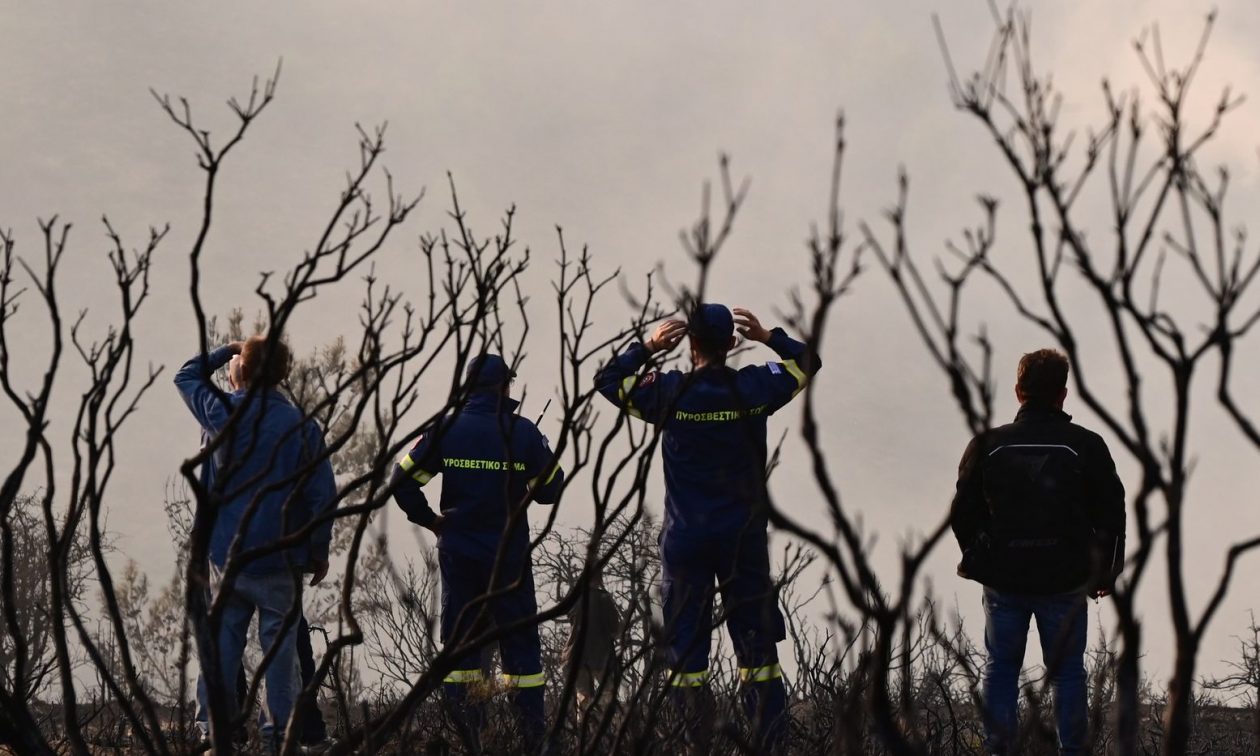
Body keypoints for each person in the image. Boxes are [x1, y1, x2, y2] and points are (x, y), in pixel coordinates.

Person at [595, 304, 819, 752]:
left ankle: (690, 743)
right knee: (757, 654)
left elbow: (607, 383)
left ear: (690, 343)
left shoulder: (669, 392)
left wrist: (647, 347)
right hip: (742, 540)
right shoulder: (754, 388)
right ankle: (768, 743)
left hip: (686, 541)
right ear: (731, 344)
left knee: (685, 654)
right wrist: (769, 335)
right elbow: (806, 363)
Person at [950, 349, 1125, 755]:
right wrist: (1105, 573)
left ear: (1018, 391)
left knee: (1001, 669)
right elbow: (1112, 515)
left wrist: (981, 559)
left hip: (1004, 580)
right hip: (1064, 580)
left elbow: (963, 513)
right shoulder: (1087, 445)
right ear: (1063, 395)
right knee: (1067, 673)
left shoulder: (988, 444)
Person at [390, 353, 564, 751]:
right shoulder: (520, 433)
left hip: (460, 555)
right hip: (509, 560)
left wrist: (430, 520)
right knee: (520, 650)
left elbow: (400, 481)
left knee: (461, 650)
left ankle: (466, 736)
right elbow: (551, 490)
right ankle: (534, 740)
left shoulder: (445, 430)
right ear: (505, 387)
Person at [175, 336, 337, 752]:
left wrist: (225, 353)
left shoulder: (221, 412)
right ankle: (279, 739)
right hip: (281, 558)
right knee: (281, 658)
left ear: (242, 371)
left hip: (226, 556)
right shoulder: (302, 426)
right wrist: (318, 550)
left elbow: (186, 376)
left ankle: (214, 735)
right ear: (283, 375)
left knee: (221, 651)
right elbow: (321, 495)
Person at [560, 572, 623, 712]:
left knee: (583, 699)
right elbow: (614, 628)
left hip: (575, 656)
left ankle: (583, 730)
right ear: (598, 579)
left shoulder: (574, 598)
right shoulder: (603, 597)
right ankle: (609, 730)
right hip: (601, 656)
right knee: (608, 696)